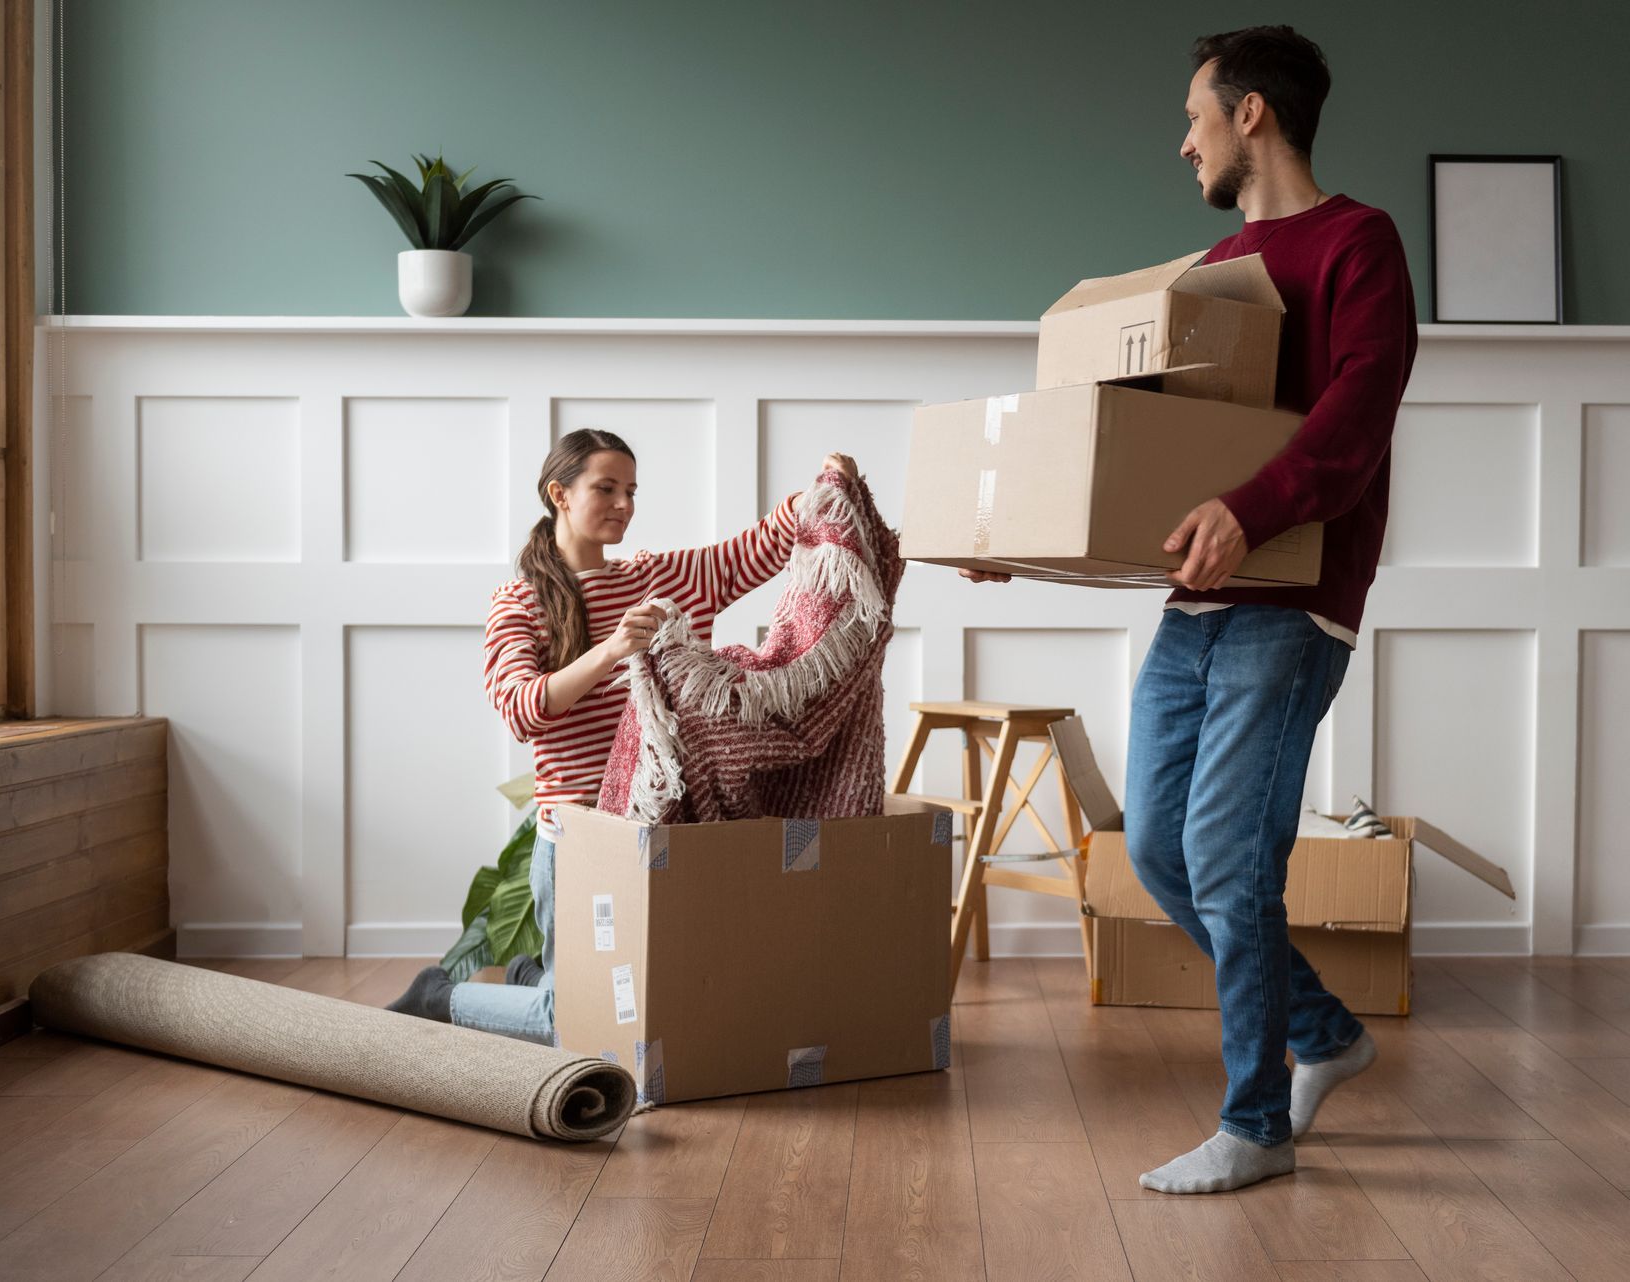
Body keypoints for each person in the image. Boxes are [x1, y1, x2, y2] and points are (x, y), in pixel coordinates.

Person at [965, 25, 1417, 1192]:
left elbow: (1356, 423)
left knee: (1228, 855)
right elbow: (1154, 458)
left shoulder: (1358, 243)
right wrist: (1020, 541)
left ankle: (1256, 1127)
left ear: (1252, 112)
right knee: (1161, 848)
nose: (1185, 141)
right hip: (1202, 600)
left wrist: (1251, 512)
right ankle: (1326, 1033)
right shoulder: (1214, 269)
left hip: (1296, 598)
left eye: (1196, 116)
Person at [387, 428, 859, 1044]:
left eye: (631, 491)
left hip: (651, 827)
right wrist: (611, 650)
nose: (624, 505)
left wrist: (824, 485)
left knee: (644, 989)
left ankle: (532, 973)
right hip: (578, 835)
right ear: (558, 493)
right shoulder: (519, 601)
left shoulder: (656, 577)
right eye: (605, 488)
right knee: (572, 1024)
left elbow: (754, 550)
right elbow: (521, 707)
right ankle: (440, 997)